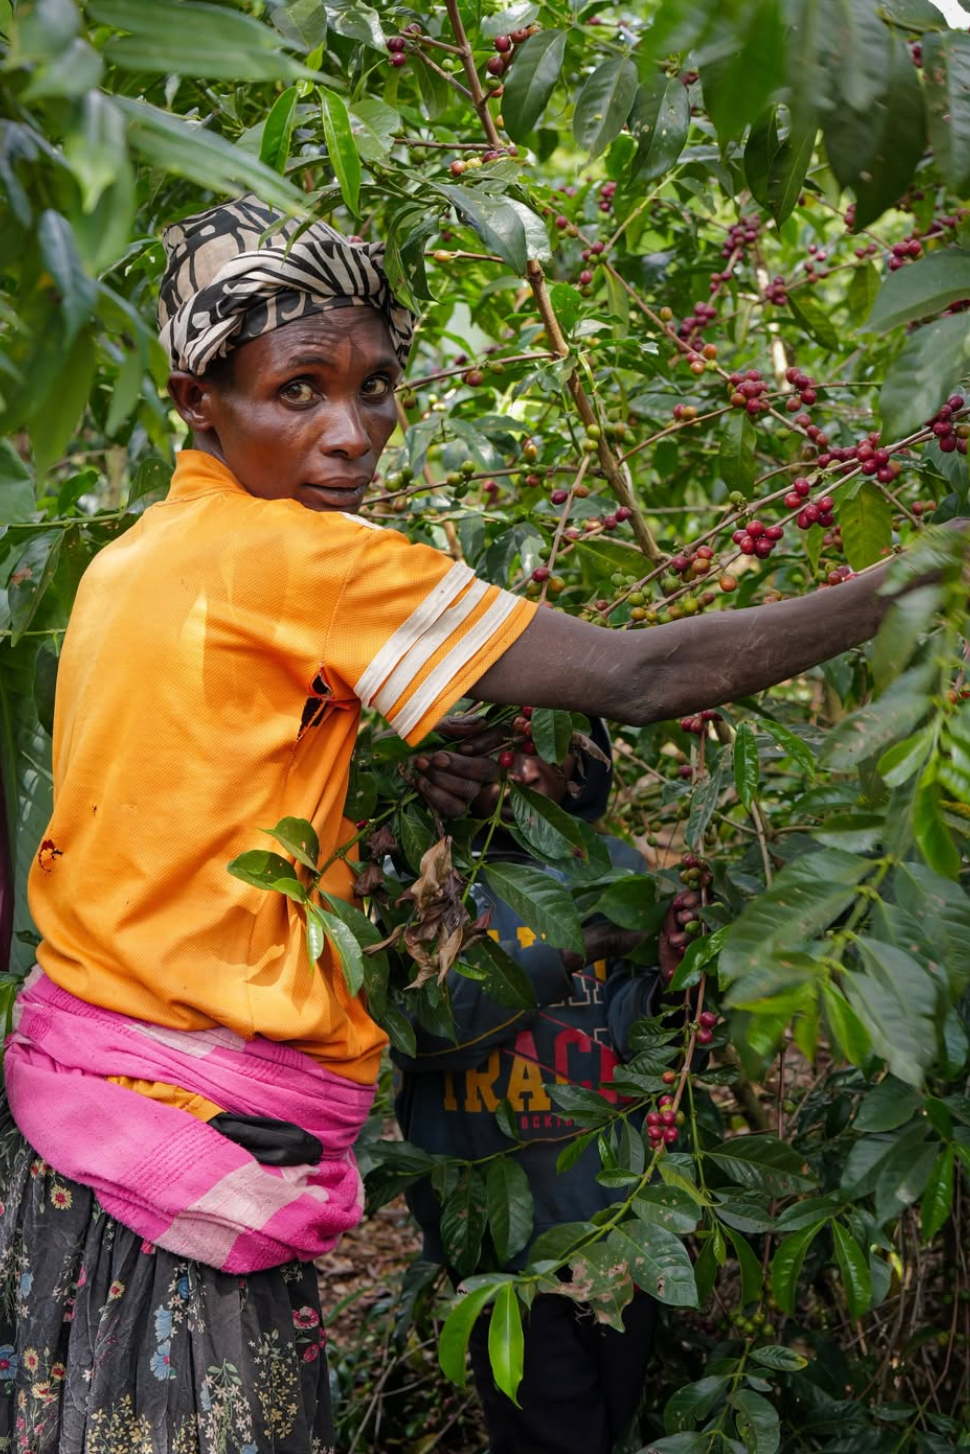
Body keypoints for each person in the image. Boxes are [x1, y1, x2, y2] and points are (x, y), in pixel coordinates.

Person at [0, 193, 953, 1452]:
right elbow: (642, 677)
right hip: (203, 1111)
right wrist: (920, 574)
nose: (352, 435)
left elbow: (208, 768)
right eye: (299, 392)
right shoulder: (305, 558)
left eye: (379, 387)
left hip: (88, 1101)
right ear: (197, 399)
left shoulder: (136, 558)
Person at [396, 718, 669, 1454]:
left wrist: (676, 981)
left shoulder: (615, 868)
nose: (518, 775)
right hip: (503, 1249)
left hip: (618, 1236)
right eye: (501, 752)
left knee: (609, 1425)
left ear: (578, 776)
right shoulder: (424, 877)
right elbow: (424, 1033)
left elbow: (646, 1046)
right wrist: (579, 943)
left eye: (543, 756)